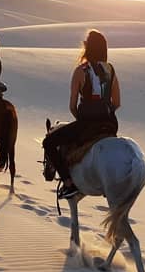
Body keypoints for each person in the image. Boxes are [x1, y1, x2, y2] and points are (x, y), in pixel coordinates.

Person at [41, 29, 120, 199]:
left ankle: (69, 184)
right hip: (110, 124)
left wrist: (82, 119)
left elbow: (72, 106)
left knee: (48, 142)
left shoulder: (80, 71)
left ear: (87, 48)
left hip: (87, 123)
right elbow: (117, 103)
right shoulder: (111, 70)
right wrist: (105, 112)